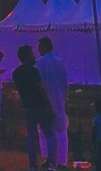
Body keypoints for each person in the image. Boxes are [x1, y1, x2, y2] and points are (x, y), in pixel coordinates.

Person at [9, 47, 53, 171]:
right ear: (26, 56)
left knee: (31, 137)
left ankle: (33, 165)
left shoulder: (16, 73)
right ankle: (52, 163)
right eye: (31, 54)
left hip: (28, 107)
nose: (34, 56)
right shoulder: (33, 71)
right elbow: (41, 89)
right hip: (40, 106)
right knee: (49, 134)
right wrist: (50, 107)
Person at [31, 40, 68, 171]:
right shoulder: (60, 61)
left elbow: (38, 83)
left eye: (39, 47)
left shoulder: (39, 63)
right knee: (61, 130)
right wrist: (64, 97)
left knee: (45, 131)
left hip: (44, 100)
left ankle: (49, 158)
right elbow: (65, 82)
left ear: (44, 47)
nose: (38, 50)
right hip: (59, 99)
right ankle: (62, 160)